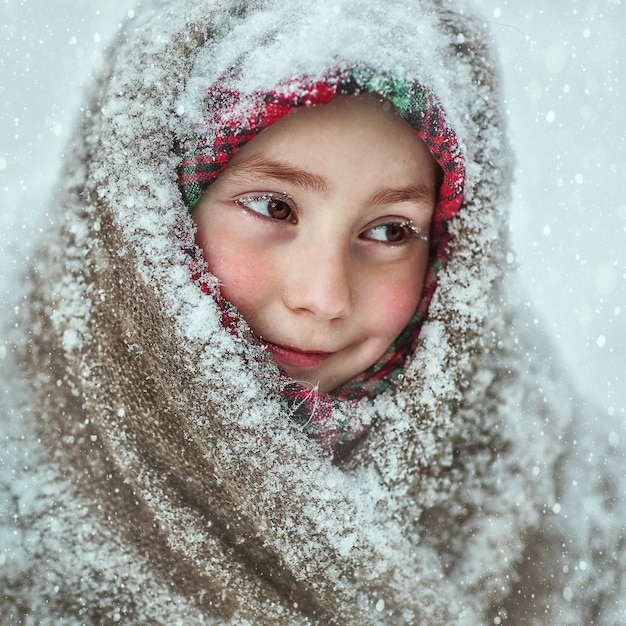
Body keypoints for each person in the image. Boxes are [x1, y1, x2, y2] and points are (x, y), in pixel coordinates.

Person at [1, 0, 624, 624]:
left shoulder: (557, 485)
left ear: (453, 260)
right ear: (148, 213)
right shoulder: (20, 488)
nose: (324, 297)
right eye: (274, 208)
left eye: (388, 232)